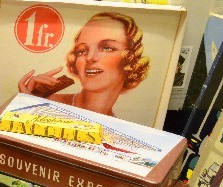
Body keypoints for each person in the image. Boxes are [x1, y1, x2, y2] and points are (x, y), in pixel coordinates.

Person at [18, 12, 149, 118]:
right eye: (82, 51)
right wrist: (25, 107)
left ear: (130, 58)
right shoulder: (48, 104)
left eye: (107, 48)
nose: (90, 57)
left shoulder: (120, 127)